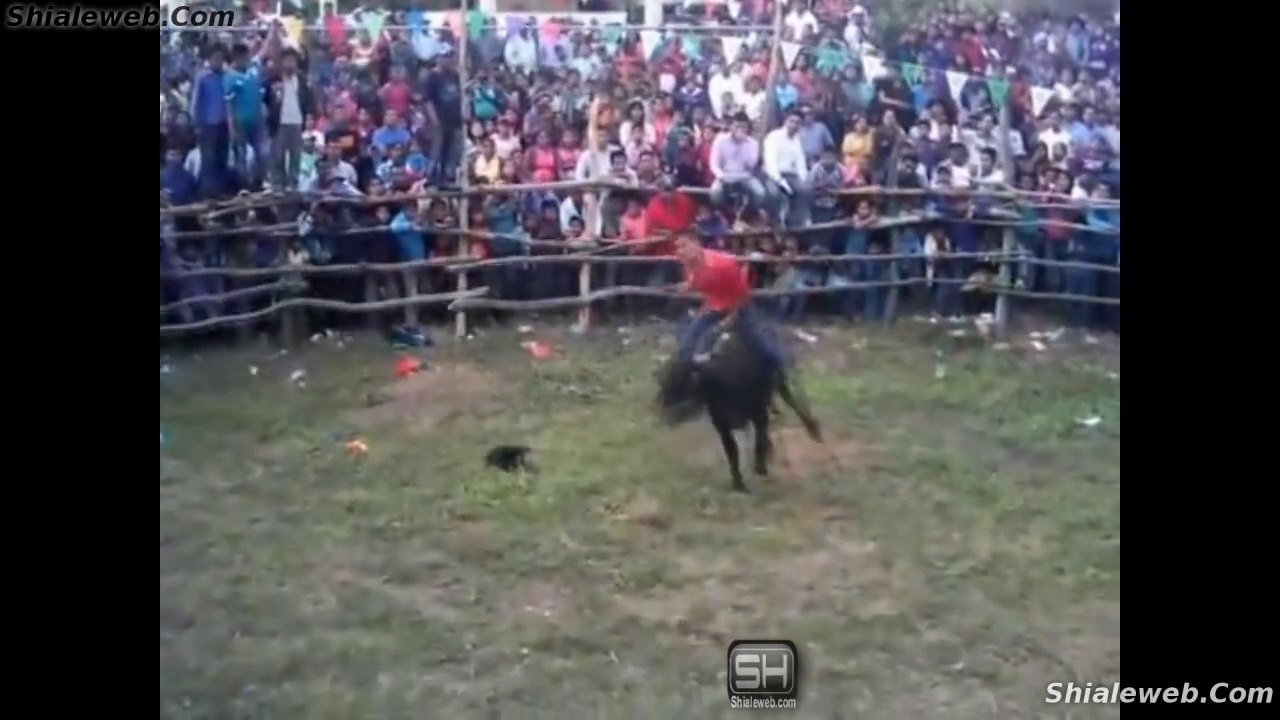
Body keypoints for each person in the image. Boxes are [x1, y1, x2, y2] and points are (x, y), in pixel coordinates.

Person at [673, 233, 785, 372]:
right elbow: (697, 279)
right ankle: (685, 376)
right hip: (714, 304)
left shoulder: (723, 265)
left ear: (696, 244)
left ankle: (780, 366)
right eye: (677, 247)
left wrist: (731, 317)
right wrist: (687, 286)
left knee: (756, 343)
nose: (680, 251)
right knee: (689, 340)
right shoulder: (686, 263)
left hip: (738, 304)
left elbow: (742, 294)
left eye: (684, 246)